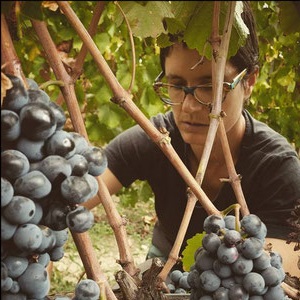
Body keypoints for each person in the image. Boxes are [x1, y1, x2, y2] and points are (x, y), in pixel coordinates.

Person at [85, 1, 300, 276]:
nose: (188, 106)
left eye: (210, 86)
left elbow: (272, 276)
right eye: (176, 85)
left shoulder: (278, 167)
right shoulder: (158, 138)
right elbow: (77, 193)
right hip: (164, 261)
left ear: (250, 82)